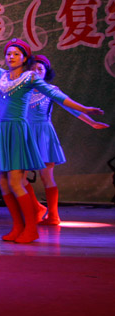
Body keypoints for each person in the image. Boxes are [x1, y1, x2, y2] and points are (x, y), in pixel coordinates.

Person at [0, 32, 104, 243]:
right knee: (3, 183)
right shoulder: (2, 75)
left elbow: (57, 95)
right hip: (4, 131)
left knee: (15, 182)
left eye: (16, 54)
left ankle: (31, 228)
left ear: (24, 58)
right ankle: (18, 227)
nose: (11, 57)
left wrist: (83, 108)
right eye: (8, 53)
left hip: (19, 130)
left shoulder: (30, 77)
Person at [26, 55, 108, 225]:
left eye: (40, 69)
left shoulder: (51, 89)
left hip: (43, 134)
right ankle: (36, 207)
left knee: (46, 176)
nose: (36, 72)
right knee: (17, 176)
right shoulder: (22, 90)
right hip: (25, 134)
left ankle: (53, 215)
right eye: (32, 69)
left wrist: (91, 122)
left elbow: (70, 107)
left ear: (46, 72)